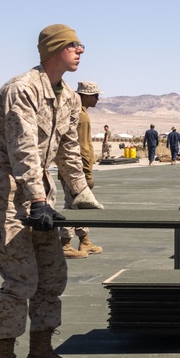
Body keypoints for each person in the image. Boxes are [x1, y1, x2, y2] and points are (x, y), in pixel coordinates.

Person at [0, 23, 104, 358]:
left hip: (39, 201)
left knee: (52, 277)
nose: (81, 51)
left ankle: (41, 354)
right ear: (55, 48)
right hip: (7, 200)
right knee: (22, 281)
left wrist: (82, 195)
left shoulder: (67, 96)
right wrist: (36, 199)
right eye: (75, 45)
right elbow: (23, 147)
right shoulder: (22, 89)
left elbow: (67, 149)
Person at [58, 81, 104, 259]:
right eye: (95, 95)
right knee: (72, 206)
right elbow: (83, 147)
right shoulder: (81, 116)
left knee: (79, 205)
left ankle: (85, 241)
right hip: (76, 169)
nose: (98, 99)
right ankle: (65, 244)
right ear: (85, 96)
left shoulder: (77, 112)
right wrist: (87, 173)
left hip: (72, 167)